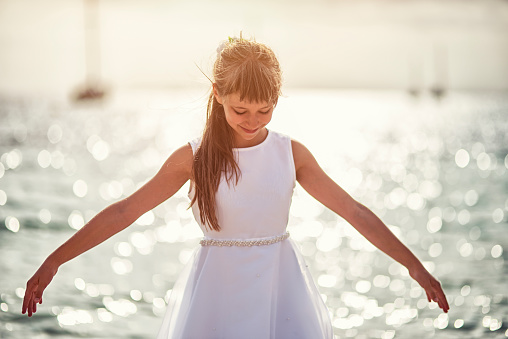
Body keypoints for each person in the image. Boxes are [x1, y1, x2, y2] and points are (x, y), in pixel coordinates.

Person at [22, 36, 449, 338]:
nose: (252, 120)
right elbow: (124, 211)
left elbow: (353, 212)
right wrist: (55, 260)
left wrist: (413, 265)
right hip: (217, 292)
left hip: (281, 287)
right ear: (218, 95)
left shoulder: (290, 153)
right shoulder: (193, 157)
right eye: (240, 109)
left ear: (278, 99)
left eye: (265, 110)